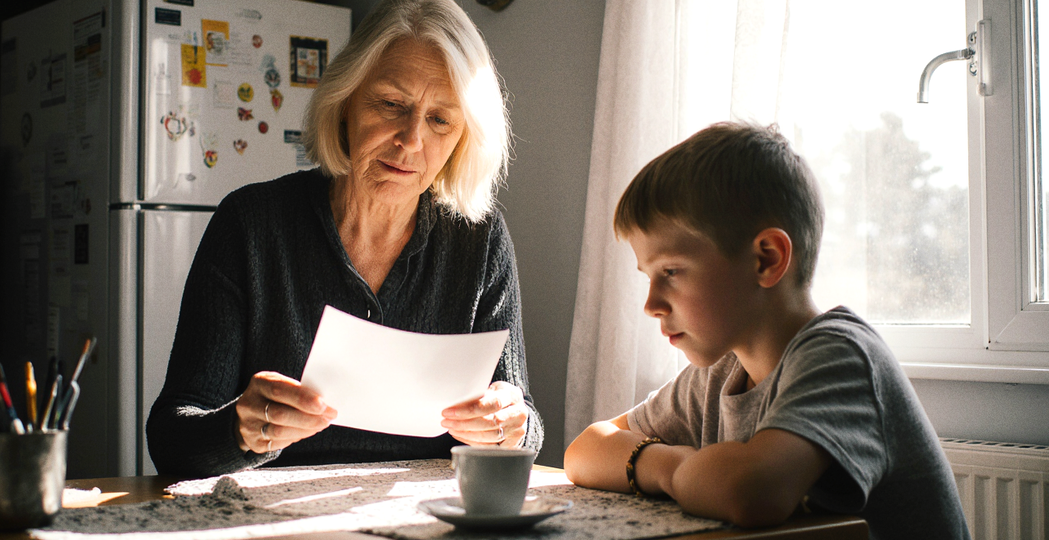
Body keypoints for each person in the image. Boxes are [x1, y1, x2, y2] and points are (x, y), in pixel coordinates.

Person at [147, 0, 543, 478]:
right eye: (392, 104)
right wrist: (241, 430)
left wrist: (510, 425)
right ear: (345, 100)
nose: (412, 139)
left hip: (425, 520)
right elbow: (171, 438)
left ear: (463, 137)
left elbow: (524, 422)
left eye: (440, 120)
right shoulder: (250, 224)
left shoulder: (480, 241)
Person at [563, 122, 970, 539]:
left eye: (671, 271)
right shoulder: (719, 374)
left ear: (767, 259)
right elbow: (585, 450)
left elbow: (751, 491)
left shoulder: (841, 357)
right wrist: (669, 467)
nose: (650, 305)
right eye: (648, 276)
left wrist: (673, 467)